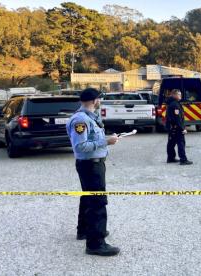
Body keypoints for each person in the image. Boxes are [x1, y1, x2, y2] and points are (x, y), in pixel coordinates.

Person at [67, 88, 120, 257]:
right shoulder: (80, 120)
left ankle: (85, 231)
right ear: (95, 101)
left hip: (93, 164)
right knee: (97, 201)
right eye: (99, 99)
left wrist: (105, 139)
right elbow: (80, 146)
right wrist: (106, 141)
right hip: (90, 165)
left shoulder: (91, 117)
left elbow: (91, 139)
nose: (100, 101)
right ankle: (95, 243)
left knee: (88, 197)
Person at [166, 89, 193, 165]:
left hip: (172, 127)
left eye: (180, 94)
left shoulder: (172, 103)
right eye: (179, 94)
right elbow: (177, 118)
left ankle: (170, 158)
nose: (180, 96)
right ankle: (183, 160)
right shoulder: (175, 105)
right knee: (181, 143)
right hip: (176, 127)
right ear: (174, 95)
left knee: (171, 143)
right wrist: (183, 128)